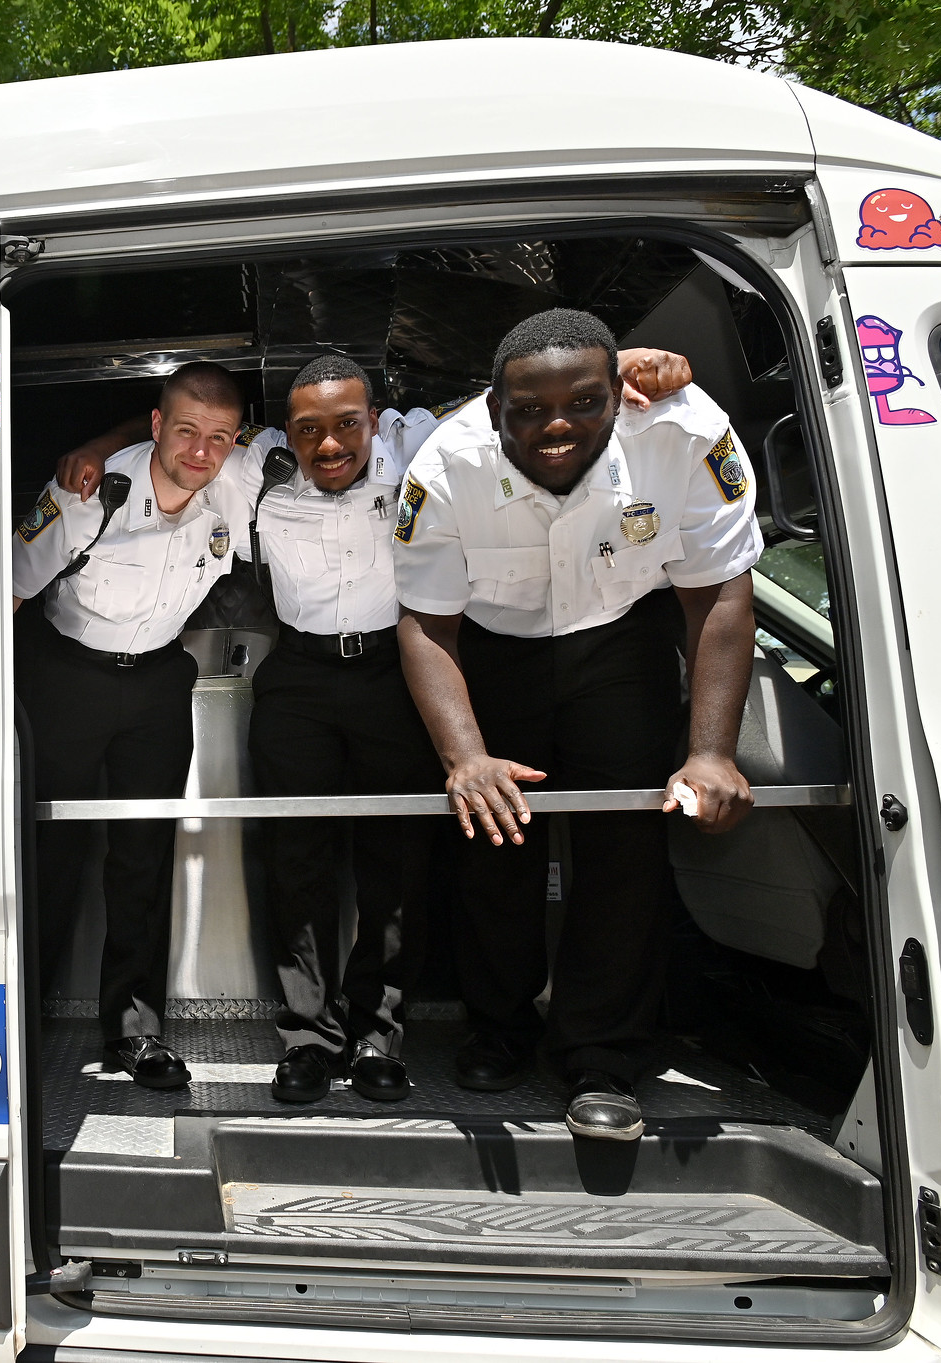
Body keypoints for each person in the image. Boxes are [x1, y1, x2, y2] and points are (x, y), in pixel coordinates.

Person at [57, 347, 697, 1104]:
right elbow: (182, 424)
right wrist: (98, 447)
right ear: (283, 432)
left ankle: (376, 1037)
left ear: (374, 419)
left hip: (396, 675)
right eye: (308, 429)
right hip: (296, 677)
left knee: (395, 868)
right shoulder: (251, 463)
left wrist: (615, 361)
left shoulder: (414, 442)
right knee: (297, 863)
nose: (329, 444)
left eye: (347, 424)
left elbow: (499, 402)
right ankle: (306, 1039)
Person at [394, 307, 759, 1141]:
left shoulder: (687, 435)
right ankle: (499, 1026)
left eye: (584, 403)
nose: (555, 426)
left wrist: (710, 751)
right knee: (494, 836)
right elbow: (426, 625)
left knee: (625, 846)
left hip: (623, 640)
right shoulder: (447, 463)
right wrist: (466, 756)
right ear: (493, 408)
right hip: (489, 648)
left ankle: (604, 1054)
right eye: (527, 410)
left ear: (619, 392)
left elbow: (718, 592)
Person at [13, 361, 251, 1090]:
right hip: (67, 678)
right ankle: (19, 1026)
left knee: (144, 855)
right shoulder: (91, 492)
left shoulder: (239, 488)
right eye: (186, 431)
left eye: (219, 437)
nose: (201, 452)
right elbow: (9, 588)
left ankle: (136, 1031)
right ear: (156, 426)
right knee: (49, 851)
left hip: (156, 680)